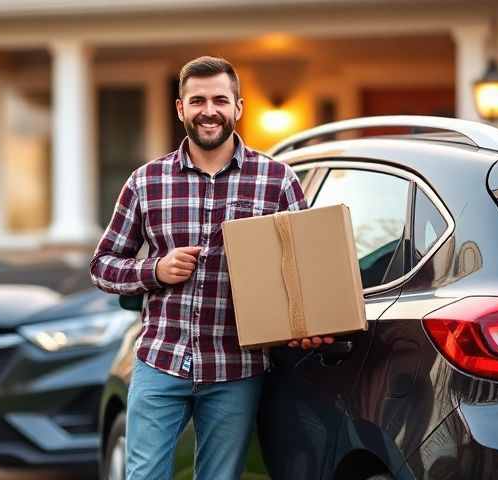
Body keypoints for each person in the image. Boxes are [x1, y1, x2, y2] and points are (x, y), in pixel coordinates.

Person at [89, 56, 332, 480]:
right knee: (143, 475)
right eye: (197, 100)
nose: (209, 110)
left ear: (238, 107)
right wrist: (155, 270)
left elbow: (306, 270)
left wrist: (310, 322)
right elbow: (102, 265)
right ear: (180, 108)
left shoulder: (276, 180)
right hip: (160, 360)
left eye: (220, 99)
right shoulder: (146, 182)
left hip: (236, 369)